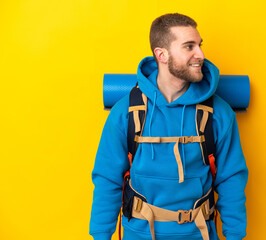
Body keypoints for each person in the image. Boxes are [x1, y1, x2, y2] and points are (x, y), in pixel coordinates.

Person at [90, 13, 248, 240]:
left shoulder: (218, 113)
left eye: (200, 45)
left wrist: (235, 236)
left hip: (198, 234)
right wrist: (101, 235)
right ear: (161, 55)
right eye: (189, 47)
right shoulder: (126, 112)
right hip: (139, 234)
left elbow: (231, 179)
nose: (201, 55)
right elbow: (107, 179)